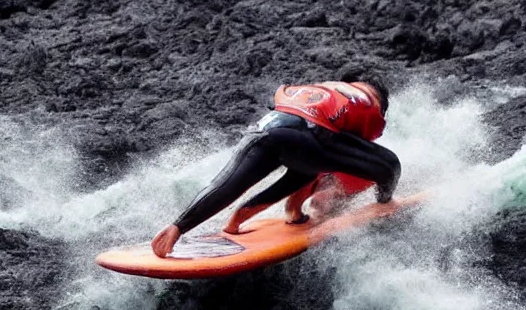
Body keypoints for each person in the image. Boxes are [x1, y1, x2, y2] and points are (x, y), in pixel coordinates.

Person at [151, 72, 401, 258]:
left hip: (266, 128)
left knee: (228, 183)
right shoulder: (370, 102)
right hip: (308, 136)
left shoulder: (317, 88)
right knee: (389, 166)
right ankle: (384, 202)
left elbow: (318, 157)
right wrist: (381, 195)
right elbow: (347, 158)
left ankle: (185, 227)